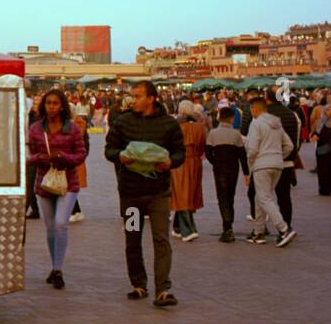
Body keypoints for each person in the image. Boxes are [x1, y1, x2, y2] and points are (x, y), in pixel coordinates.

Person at [104, 81, 186, 307]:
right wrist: (120, 156)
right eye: (132, 96)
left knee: (161, 239)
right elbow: (109, 150)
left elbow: (180, 153)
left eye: (138, 96)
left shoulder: (168, 124)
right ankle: (138, 284)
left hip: (159, 192)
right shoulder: (122, 122)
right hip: (131, 193)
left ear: (152, 98)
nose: (133, 100)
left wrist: (170, 162)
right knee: (133, 239)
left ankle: (163, 289)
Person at [26, 89, 87, 288]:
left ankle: (58, 269)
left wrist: (63, 158)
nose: (51, 107)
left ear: (62, 106)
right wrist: (39, 159)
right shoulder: (36, 129)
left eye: (55, 103)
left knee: (61, 224)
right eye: (48, 103)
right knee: (51, 228)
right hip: (44, 183)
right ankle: (54, 266)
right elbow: (29, 155)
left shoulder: (72, 128)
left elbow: (80, 154)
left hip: (67, 183)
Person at [243, 95, 296, 247]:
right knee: (261, 197)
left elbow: (252, 149)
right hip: (277, 164)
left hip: (261, 164)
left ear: (255, 109)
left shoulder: (256, 124)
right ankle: (258, 231)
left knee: (264, 197)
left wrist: (251, 164)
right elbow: (289, 145)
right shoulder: (276, 123)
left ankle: (284, 228)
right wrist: (278, 156)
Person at [205, 104, 247, 242]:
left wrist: (215, 163)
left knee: (222, 197)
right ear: (231, 118)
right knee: (230, 196)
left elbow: (208, 153)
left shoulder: (213, 133)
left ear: (219, 117)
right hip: (233, 168)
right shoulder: (236, 134)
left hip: (219, 169)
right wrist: (246, 173)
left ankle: (227, 227)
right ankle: (229, 225)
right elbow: (242, 155)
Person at [170, 100, 206, 241]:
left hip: (180, 163)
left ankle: (187, 230)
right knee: (190, 193)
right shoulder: (199, 127)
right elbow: (203, 145)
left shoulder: (176, 126)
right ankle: (179, 227)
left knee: (181, 193)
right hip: (195, 162)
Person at [313, 100, 331, 196]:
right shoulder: (320, 122)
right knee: (322, 170)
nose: (330, 111)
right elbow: (315, 133)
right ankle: (324, 188)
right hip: (321, 150)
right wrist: (314, 136)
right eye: (327, 110)